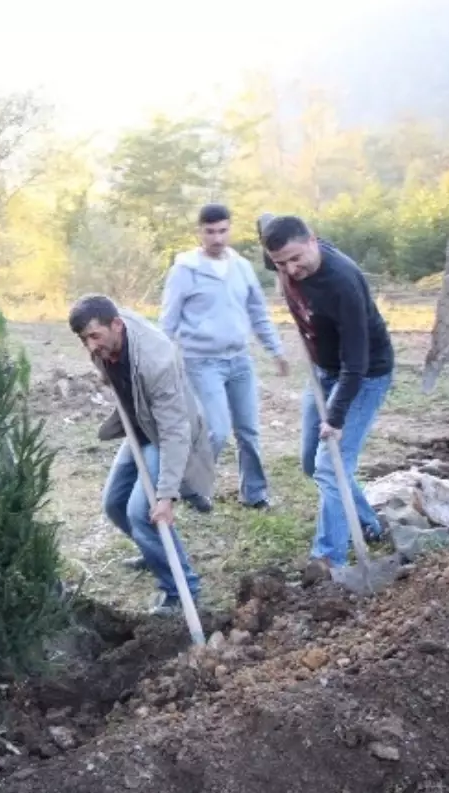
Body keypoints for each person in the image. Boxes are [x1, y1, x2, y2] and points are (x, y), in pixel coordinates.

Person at [259, 215, 395, 579]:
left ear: (313, 241)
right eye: (280, 263)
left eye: (295, 258)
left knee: (332, 465)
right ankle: (367, 522)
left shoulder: (342, 282)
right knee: (311, 463)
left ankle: (329, 560)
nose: (290, 268)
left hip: (363, 375)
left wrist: (334, 418)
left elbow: (356, 364)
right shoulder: (283, 257)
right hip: (323, 370)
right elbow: (267, 229)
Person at [68, 294, 216, 616]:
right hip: (139, 424)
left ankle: (180, 591)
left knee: (143, 512)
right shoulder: (105, 339)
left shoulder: (156, 361)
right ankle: (155, 552)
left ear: (116, 325)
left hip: (164, 432)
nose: (91, 346)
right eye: (84, 339)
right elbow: (106, 362)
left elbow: (175, 432)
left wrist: (165, 496)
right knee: (114, 505)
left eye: (95, 337)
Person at [161, 203, 289, 511]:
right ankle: (195, 489)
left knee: (249, 431)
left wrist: (275, 349)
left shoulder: (241, 267)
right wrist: (162, 363)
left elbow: (258, 312)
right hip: (202, 362)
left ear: (230, 229)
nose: (217, 238)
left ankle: (255, 494)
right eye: (210, 232)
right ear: (199, 232)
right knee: (216, 430)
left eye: (222, 230)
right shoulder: (184, 270)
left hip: (239, 360)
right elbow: (168, 321)